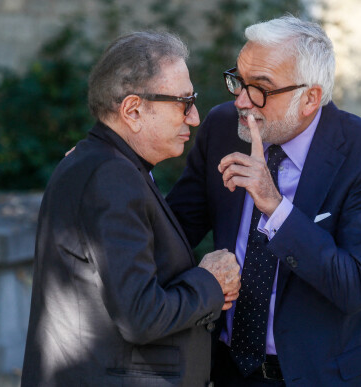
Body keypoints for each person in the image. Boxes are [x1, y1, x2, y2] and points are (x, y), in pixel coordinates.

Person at [166, 16, 361, 386]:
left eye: (260, 88)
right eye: (239, 81)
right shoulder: (223, 128)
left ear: (310, 97)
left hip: (328, 373)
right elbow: (173, 228)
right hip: (230, 369)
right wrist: (115, 167)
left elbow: (354, 286)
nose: (242, 101)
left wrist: (275, 207)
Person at [21, 31, 241, 387]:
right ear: (133, 109)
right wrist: (210, 282)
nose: (195, 117)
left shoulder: (106, 165)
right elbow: (140, 315)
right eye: (183, 102)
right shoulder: (110, 176)